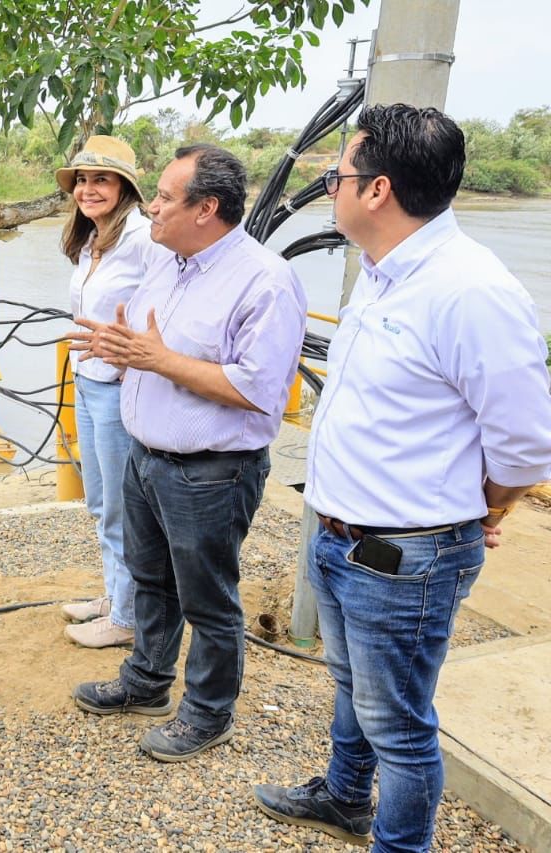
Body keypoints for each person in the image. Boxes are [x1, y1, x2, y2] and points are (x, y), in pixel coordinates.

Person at [253, 105, 551, 852]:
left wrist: (475, 509)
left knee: (401, 724)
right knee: (355, 691)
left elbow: (525, 445)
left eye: (336, 175)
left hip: (405, 556)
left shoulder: (469, 291)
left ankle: (400, 843)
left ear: (377, 189)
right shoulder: (383, 273)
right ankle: (346, 796)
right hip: (344, 540)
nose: (328, 187)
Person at [69, 144, 306, 762]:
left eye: (167, 198)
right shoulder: (168, 264)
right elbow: (150, 345)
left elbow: (259, 391)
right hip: (147, 457)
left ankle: (207, 713)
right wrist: (117, 344)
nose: (152, 207)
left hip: (210, 472)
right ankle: (147, 682)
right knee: (151, 581)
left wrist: (157, 360)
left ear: (207, 208)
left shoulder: (265, 280)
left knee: (208, 597)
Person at [52, 136, 159, 649]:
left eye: (102, 180)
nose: (88, 190)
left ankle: (128, 617)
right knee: (99, 500)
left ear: (125, 188)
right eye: (82, 180)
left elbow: (167, 304)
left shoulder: (143, 239)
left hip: (117, 387)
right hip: (87, 382)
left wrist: (133, 352)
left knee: (120, 505)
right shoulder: (93, 240)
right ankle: (117, 594)